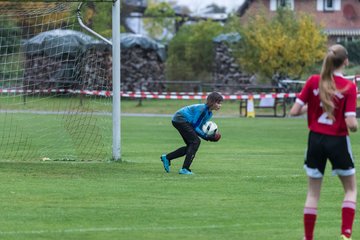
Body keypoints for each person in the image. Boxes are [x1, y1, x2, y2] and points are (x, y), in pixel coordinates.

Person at [289, 44, 358, 240]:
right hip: (337, 141)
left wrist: (311, 105)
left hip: (316, 140)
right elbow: (351, 122)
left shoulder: (313, 81)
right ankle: (345, 234)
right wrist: (355, 127)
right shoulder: (349, 86)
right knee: (351, 190)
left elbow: (294, 111)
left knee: (313, 193)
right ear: (346, 61)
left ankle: (308, 237)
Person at [160, 92, 223, 175]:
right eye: (218, 103)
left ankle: (167, 158)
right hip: (180, 119)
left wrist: (210, 136)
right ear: (212, 102)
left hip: (184, 121)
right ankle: (184, 169)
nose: (220, 105)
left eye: (221, 103)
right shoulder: (203, 110)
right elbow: (194, 125)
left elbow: (199, 127)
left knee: (191, 146)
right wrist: (207, 137)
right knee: (195, 142)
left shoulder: (209, 113)